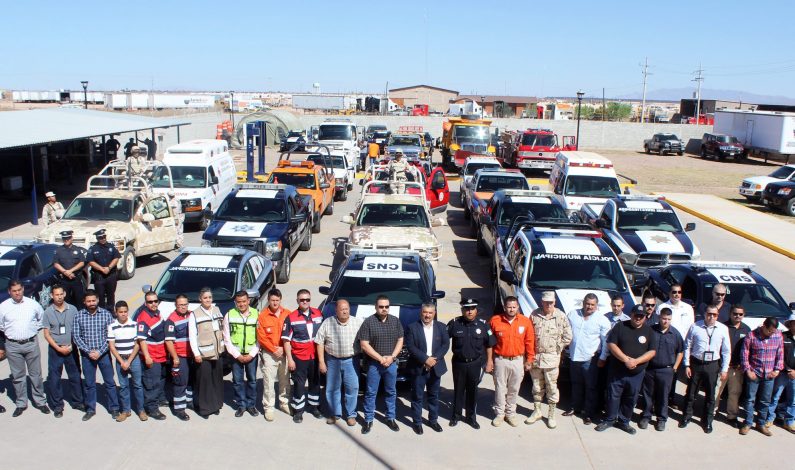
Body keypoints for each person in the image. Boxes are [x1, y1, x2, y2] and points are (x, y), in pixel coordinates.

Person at [596, 305, 658, 434]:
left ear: (645, 318)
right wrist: (625, 359)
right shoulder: (620, 326)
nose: (638, 318)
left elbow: (652, 352)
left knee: (631, 397)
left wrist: (636, 361)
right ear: (631, 315)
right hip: (617, 371)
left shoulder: (649, 331)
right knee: (613, 396)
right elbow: (611, 343)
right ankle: (610, 419)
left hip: (636, 373)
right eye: (636, 315)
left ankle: (624, 421)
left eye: (641, 316)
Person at [0, 280, 50, 417]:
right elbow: (0, 326)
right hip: (12, 345)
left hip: (31, 343)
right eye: (14, 291)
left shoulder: (33, 304)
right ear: (10, 292)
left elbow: (41, 321)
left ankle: (40, 401)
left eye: (19, 290)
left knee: (36, 375)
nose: (17, 293)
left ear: (23, 289)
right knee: (18, 376)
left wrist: (30, 332)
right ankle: (21, 403)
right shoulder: (3, 307)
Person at [680, 304, 731, 433]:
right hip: (696, 363)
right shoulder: (695, 326)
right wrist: (686, 365)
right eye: (709, 314)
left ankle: (707, 421)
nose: (711, 317)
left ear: (717, 316)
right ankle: (686, 416)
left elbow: (726, 351)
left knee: (711, 395)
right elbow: (687, 346)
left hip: (712, 365)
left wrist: (724, 369)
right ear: (705, 314)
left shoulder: (722, 329)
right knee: (691, 393)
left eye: (714, 315)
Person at [359, 295, 405, 434]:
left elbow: (400, 339)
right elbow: (364, 345)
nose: (384, 309)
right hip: (374, 364)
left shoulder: (395, 321)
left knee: (391, 392)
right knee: (371, 393)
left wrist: (392, 357)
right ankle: (368, 419)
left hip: (391, 364)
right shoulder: (368, 322)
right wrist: (380, 358)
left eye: (386, 307)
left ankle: (390, 418)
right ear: (376, 307)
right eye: (381, 307)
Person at [447, 298, 495, 429]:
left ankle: (471, 417)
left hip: (475, 363)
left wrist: (489, 361)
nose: (469, 311)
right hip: (459, 363)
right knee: (458, 390)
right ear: (462, 310)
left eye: (472, 309)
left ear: (476, 310)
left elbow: (489, 344)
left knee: (473, 390)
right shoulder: (455, 323)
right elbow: (443, 339)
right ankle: (456, 416)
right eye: (467, 309)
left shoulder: (483, 325)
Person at [315, 299, 364, 427]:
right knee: (332, 389)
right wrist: (321, 362)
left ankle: (351, 415)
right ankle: (334, 413)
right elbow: (319, 342)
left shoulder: (357, 322)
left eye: (346, 308)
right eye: (342, 309)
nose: (344, 311)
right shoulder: (328, 322)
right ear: (336, 310)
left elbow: (365, 341)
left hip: (351, 361)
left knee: (352, 388)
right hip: (332, 360)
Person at [527, 291, 572, 428]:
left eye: (551, 302)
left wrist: (558, 348)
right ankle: (537, 411)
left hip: (552, 358)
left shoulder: (560, 316)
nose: (548, 305)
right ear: (542, 302)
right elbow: (529, 334)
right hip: (536, 357)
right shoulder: (534, 315)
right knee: (536, 386)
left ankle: (551, 415)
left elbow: (568, 336)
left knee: (551, 387)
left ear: (554, 302)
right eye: (546, 302)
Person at [72, 289, 119, 421]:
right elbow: (77, 336)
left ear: (98, 300)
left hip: (103, 354)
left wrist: (100, 351)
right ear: (84, 302)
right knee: (89, 384)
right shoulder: (79, 316)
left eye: (94, 300)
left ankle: (114, 408)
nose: (92, 303)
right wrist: (88, 351)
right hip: (87, 356)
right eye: (89, 301)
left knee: (109, 382)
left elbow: (110, 336)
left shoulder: (106, 315)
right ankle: (90, 408)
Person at [565, 293, 611, 424]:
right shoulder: (572, 315)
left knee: (591, 387)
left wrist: (602, 357)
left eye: (592, 305)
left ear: (597, 306)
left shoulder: (602, 320)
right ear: (583, 303)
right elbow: (566, 332)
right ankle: (575, 407)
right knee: (575, 384)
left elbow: (606, 341)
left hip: (590, 359)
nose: (589, 307)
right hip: (574, 357)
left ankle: (588, 413)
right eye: (587, 304)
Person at [489, 296, 535, 428]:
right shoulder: (495, 321)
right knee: (500, 388)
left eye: (514, 307)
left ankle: (510, 414)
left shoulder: (525, 322)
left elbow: (530, 342)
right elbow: (488, 343)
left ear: (518, 308)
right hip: (500, 360)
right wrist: (489, 361)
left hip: (518, 361)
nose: (511, 309)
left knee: (514, 389)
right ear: (504, 307)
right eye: (509, 307)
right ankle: (499, 414)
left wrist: (529, 359)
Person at [405, 303, 449, 434]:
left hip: (436, 367)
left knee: (433, 396)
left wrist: (434, 359)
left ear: (434, 313)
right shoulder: (412, 327)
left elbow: (445, 344)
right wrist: (425, 359)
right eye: (425, 312)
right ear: (421, 313)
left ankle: (433, 420)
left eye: (430, 312)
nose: (427, 315)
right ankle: (417, 422)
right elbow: (411, 347)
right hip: (419, 368)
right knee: (417, 396)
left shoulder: (441, 327)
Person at [638, 307, 683, 431]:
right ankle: (646, 416)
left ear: (671, 319)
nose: (665, 321)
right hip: (650, 369)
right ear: (659, 317)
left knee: (663, 396)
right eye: (664, 318)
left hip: (666, 370)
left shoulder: (675, 334)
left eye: (668, 319)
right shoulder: (650, 330)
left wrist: (675, 368)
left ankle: (661, 419)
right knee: (648, 394)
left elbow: (680, 352)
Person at [42, 284, 84, 418]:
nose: (59, 297)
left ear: (64, 294)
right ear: (51, 296)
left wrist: (71, 346)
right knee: (54, 379)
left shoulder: (73, 309)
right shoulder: (48, 312)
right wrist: (58, 348)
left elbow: (78, 330)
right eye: (56, 295)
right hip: (56, 350)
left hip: (71, 348)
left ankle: (77, 401)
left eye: (61, 294)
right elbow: (47, 334)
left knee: (75, 376)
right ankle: (57, 405)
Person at [739, 317, 784, 436]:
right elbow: (744, 353)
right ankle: (748, 423)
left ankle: (761, 424)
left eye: (773, 331)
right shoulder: (752, 335)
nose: (771, 333)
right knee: (750, 399)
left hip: (769, 374)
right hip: (755, 373)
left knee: (765, 400)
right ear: (764, 326)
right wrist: (748, 370)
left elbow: (780, 353)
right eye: (769, 330)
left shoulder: (778, 335)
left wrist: (777, 370)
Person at [282, 289, 322, 423]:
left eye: (307, 299)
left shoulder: (318, 314)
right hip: (299, 357)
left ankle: (314, 406)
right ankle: (298, 410)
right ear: (297, 301)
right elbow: (286, 340)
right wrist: (290, 359)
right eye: (302, 300)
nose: (305, 302)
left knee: (315, 382)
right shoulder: (291, 318)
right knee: (299, 384)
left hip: (315, 355)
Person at [188, 288, 225, 418]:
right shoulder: (194, 314)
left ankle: (215, 405)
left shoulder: (216, 310)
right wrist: (196, 354)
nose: (208, 300)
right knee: (204, 381)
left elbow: (222, 329)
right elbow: (192, 335)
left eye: (209, 297)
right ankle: (204, 408)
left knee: (216, 380)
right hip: (203, 354)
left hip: (217, 352)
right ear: (200, 299)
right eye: (205, 298)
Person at [256, 288, 291, 421]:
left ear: (280, 300)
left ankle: (284, 403)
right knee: (268, 382)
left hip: (284, 352)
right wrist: (273, 349)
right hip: (269, 353)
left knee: (285, 380)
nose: (275, 303)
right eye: (272, 300)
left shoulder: (288, 314)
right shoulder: (262, 316)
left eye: (277, 300)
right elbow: (261, 336)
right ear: (268, 300)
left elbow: (292, 333)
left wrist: (283, 349)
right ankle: (268, 407)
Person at [223, 290, 260, 417]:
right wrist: (237, 355)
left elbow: (260, 338)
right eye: (239, 302)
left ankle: (251, 405)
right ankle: (241, 405)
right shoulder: (229, 315)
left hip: (252, 355)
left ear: (248, 301)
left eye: (244, 301)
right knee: (237, 381)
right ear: (235, 302)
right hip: (236, 356)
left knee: (252, 381)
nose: (242, 304)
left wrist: (252, 354)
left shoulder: (257, 314)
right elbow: (226, 338)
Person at [713, 304, 751, 427]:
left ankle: (732, 416)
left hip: (737, 368)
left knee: (734, 393)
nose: (737, 316)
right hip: (722, 366)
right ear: (730, 313)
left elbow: (749, 350)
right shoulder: (722, 327)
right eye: (735, 313)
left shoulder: (746, 330)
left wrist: (744, 364)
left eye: (740, 314)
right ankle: (711, 413)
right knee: (716, 391)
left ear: (743, 315)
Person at [107, 301, 143, 422]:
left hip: (134, 358)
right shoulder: (112, 326)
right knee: (123, 386)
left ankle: (141, 410)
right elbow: (112, 346)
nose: (123, 314)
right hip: (120, 359)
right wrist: (122, 361)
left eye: (125, 312)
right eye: (120, 312)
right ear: (116, 313)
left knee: (137, 385)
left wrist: (129, 360)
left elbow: (137, 345)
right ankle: (125, 410)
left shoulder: (134, 324)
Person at [136, 291, 169, 420]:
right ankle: (152, 408)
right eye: (150, 302)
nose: (154, 303)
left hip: (161, 355)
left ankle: (159, 400)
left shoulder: (157, 313)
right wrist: (147, 357)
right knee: (152, 383)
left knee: (160, 379)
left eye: (156, 301)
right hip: (152, 357)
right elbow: (141, 340)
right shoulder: (144, 318)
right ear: (146, 303)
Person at [164, 294, 192, 421]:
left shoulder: (191, 315)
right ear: (176, 305)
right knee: (180, 382)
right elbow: (169, 342)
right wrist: (175, 357)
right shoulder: (171, 319)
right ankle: (179, 409)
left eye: (185, 304)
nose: (183, 307)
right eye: (180, 305)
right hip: (180, 356)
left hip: (192, 355)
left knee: (190, 381)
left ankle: (189, 401)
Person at [767, 314, 795, 434]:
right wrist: (788, 369)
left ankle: (789, 421)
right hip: (783, 373)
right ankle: (769, 418)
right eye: (794, 323)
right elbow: (779, 355)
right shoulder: (783, 337)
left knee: (793, 400)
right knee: (775, 397)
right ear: (790, 324)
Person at [86, 229, 120, 312]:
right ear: (97, 238)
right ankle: (101, 312)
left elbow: (116, 257)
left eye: (104, 237)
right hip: (99, 276)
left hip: (111, 275)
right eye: (101, 237)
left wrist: (109, 268)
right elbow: (90, 262)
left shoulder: (111, 246)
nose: (103, 239)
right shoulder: (93, 249)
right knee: (100, 296)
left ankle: (111, 312)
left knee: (111, 295)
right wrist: (102, 269)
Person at [53, 230, 87, 307]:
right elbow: (56, 264)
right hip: (64, 280)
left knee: (79, 299)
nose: (66, 240)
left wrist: (71, 271)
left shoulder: (78, 250)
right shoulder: (58, 250)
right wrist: (65, 272)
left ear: (71, 238)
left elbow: (82, 262)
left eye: (68, 238)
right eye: (64, 238)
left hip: (76, 279)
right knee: (65, 299)